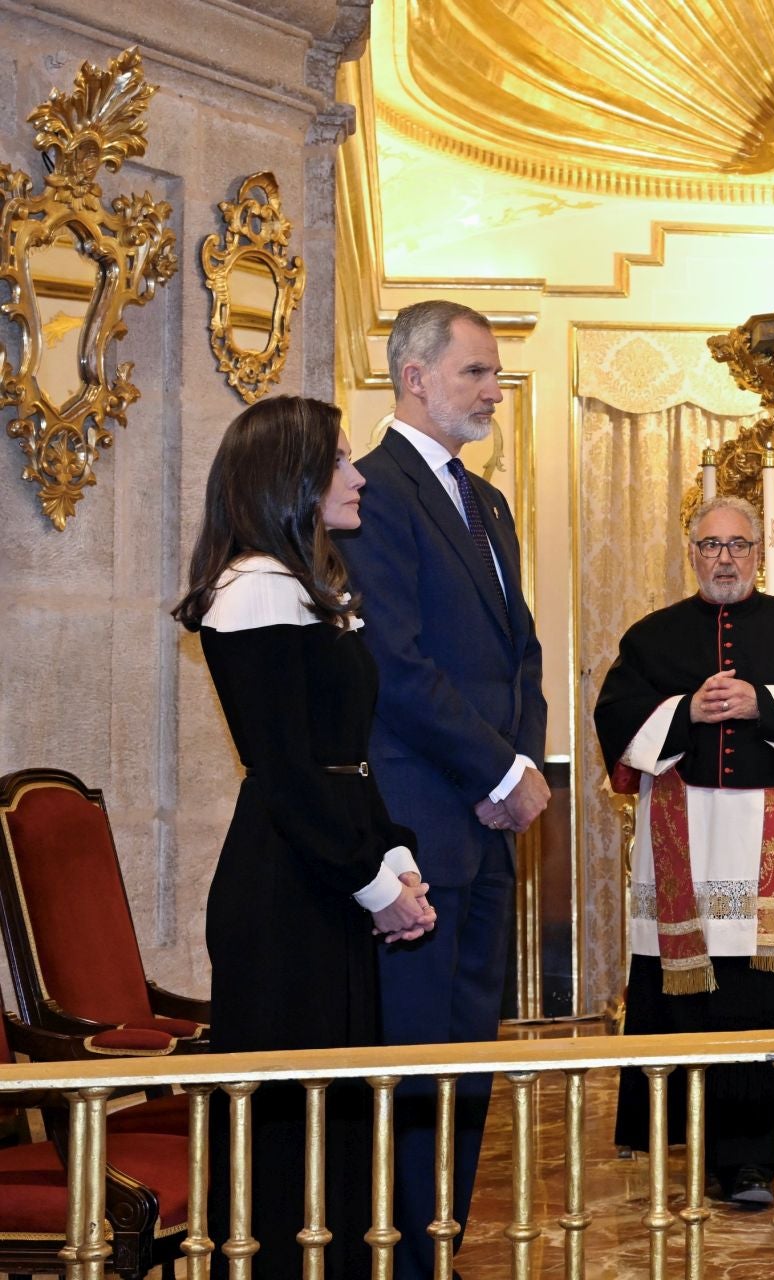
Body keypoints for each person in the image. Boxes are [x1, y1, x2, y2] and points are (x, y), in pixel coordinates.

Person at [174, 395, 437, 1278]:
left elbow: (345, 760)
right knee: (292, 1132)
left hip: (324, 873)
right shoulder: (253, 590)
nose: (357, 476)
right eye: (340, 461)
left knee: (338, 1119)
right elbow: (286, 772)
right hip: (285, 888)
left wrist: (393, 861)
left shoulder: (304, 587)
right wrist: (373, 884)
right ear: (291, 479)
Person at [336, 300, 549, 1279]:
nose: (492, 391)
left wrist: (523, 770)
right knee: (420, 1055)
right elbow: (397, 661)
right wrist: (494, 770)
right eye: (476, 372)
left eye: (494, 374)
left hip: (488, 826)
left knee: (471, 1055)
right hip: (421, 822)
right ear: (414, 376)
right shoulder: (373, 494)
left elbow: (522, 656)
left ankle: (441, 1246)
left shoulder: (489, 502)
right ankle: (403, 1257)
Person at [593, 495, 774, 1206]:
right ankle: (690, 1144)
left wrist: (760, 704)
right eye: (711, 546)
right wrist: (686, 710)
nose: (725, 558)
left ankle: (754, 1162)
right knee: (691, 996)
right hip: (684, 839)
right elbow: (614, 720)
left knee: (765, 997)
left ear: (758, 551)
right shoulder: (653, 636)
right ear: (692, 553)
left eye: (737, 545)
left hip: (769, 837)